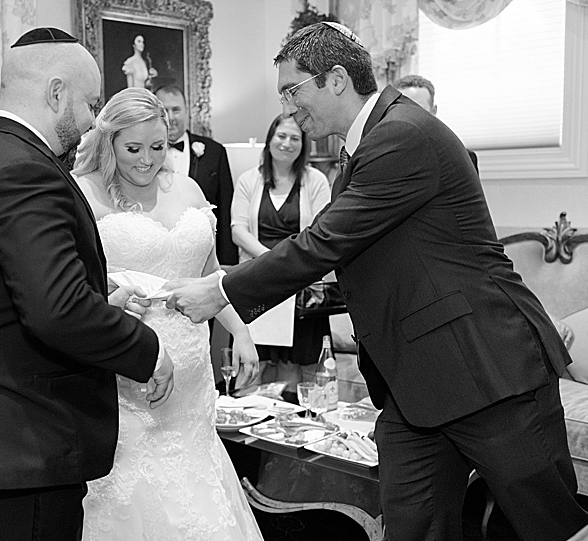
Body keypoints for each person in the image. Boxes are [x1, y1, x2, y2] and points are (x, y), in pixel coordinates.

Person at [165, 22, 588, 540]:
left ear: (336, 79)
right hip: (414, 387)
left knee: (549, 526)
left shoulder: (402, 135)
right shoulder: (365, 147)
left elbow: (324, 242)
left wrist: (220, 291)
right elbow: (362, 258)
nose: (288, 108)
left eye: (292, 91)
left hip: (487, 370)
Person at [0, 28, 174, 541]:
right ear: (57, 93)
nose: (91, 122)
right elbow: (56, 310)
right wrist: (148, 349)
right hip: (22, 439)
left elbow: (10, 292)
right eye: (90, 104)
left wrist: (97, 302)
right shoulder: (24, 171)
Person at [72, 86, 262, 540]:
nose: (147, 160)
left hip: (193, 385)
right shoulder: (83, 194)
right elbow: (68, 290)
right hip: (128, 376)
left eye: (157, 147)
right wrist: (110, 294)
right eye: (133, 148)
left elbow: (209, 276)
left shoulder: (188, 187)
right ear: (109, 141)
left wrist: (241, 332)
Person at [231, 114, 330, 399]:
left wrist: (287, 264)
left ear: (303, 145)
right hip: (258, 283)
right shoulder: (249, 179)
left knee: (300, 370)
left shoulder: (316, 181)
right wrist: (271, 262)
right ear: (270, 140)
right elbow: (238, 230)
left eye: (295, 138)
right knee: (255, 366)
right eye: (281, 136)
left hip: (301, 285)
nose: (287, 143)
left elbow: (322, 232)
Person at [155, 84, 238, 265]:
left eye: (176, 110)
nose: (171, 117)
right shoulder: (145, 154)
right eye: (164, 111)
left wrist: (227, 264)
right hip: (157, 251)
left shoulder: (215, 152)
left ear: (187, 112)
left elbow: (225, 210)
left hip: (204, 254)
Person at [394, 74, 479, 173]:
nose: (408, 117)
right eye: (401, 109)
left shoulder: (461, 159)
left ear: (433, 112)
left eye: (417, 110)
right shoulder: (383, 156)